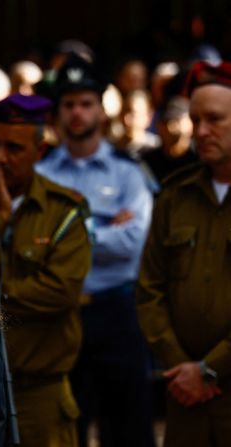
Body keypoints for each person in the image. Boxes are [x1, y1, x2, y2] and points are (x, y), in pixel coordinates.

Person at [36, 55, 155, 446]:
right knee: (66, 425)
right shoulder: (44, 173)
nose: (77, 113)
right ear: (58, 112)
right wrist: (103, 228)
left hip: (118, 311)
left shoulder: (129, 171)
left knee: (128, 427)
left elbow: (132, 243)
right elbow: (34, 245)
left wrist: (65, 237)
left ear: (101, 110)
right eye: (68, 104)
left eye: (86, 103)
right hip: (60, 312)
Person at [0, 94, 92, 446]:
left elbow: (59, 293)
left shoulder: (64, 210)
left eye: (14, 148)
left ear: (39, 153)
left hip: (40, 392)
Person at [137, 60, 231, 447]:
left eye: (215, 119)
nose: (201, 131)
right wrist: (182, 367)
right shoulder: (175, 196)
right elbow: (149, 288)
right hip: (185, 396)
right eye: (196, 119)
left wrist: (212, 369)